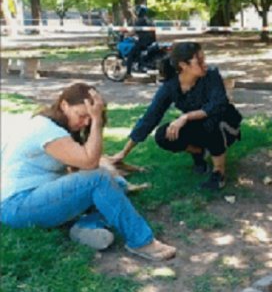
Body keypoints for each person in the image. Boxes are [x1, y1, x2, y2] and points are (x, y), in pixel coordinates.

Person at [0, 83, 176, 260]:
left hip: (36, 197)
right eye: (82, 115)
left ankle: (86, 226)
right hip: (17, 205)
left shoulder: (55, 126)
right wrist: (97, 121)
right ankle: (142, 242)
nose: (86, 122)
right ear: (64, 105)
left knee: (118, 183)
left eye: (89, 118)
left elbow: (82, 168)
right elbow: (90, 163)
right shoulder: (45, 129)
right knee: (99, 179)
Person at [111, 42, 242, 190]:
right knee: (163, 135)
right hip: (201, 126)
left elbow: (218, 105)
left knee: (211, 121)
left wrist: (185, 117)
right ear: (183, 65)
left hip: (226, 125)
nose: (205, 64)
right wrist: (123, 153)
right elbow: (150, 117)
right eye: (199, 61)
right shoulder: (171, 87)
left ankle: (219, 173)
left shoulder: (211, 75)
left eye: (204, 59)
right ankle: (200, 153)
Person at [126, 5, 157, 76]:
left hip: (143, 42)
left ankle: (128, 73)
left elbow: (133, 32)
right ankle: (140, 65)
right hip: (151, 42)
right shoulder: (150, 20)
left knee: (130, 55)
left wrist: (127, 34)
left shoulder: (139, 21)